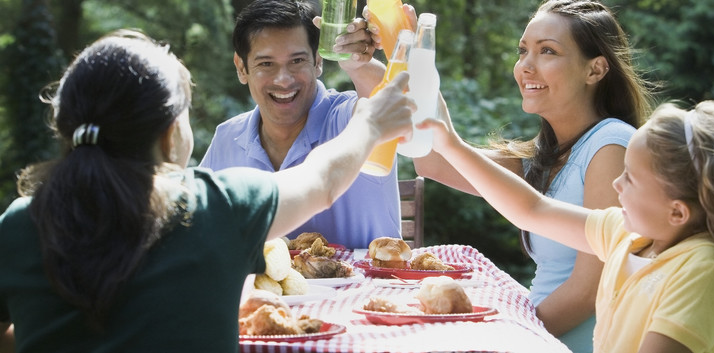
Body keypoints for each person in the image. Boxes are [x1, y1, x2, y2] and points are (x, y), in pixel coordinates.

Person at [0, 30, 413, 352]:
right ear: (169, 133)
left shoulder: (19, 222)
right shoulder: (219, 205)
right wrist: (371, 125)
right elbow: (321, 181)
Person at [422, 98, 714, 353]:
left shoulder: (704, 269)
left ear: (677, 213)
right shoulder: (630, 235)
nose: (616, 185)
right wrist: (451, 143)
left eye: (631, 180)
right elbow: (532, 209)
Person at [412, 0, 653, 352]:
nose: (525, 65)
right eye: (523, 50)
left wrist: (514, 338)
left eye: (547, 52)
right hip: (539, 335)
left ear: (595, 70)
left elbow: (588, 291)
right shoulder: (547, 156)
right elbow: (432, 159)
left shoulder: (611, 145)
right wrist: (404, 58)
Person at [199, 0, 404, 249]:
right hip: (261, 289)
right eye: (266, 64)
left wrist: (358, 64)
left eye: (297, 61)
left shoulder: (351, 119)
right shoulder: (227, 138)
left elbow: (387, 100)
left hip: (369, 289)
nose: (283, 79)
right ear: (242, 68)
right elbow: (197, 228)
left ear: (318, 61)